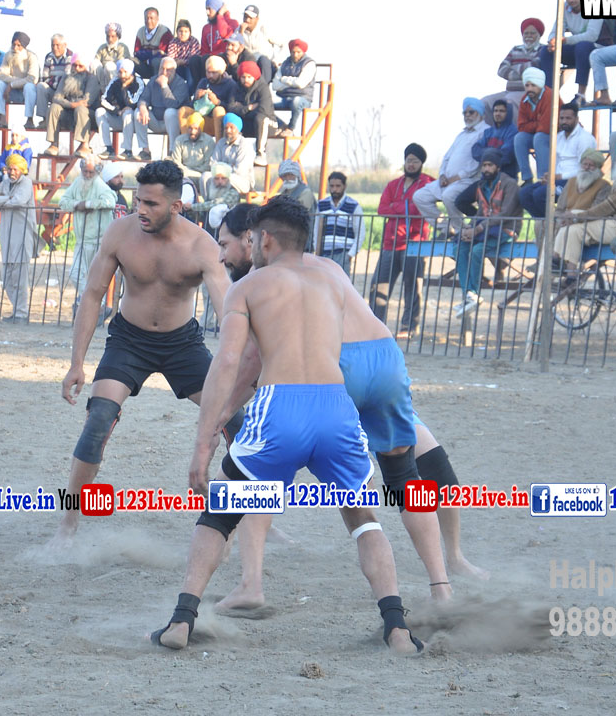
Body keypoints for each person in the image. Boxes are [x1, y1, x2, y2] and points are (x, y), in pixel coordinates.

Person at [152, 197, 423, 654]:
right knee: (364, 520)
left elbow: (230, 362)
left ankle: (181, 621)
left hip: (281, 407)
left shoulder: (248, 287)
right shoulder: (334, 281)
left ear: (265, 240)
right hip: (335, 406)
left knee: (219, 514)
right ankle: (397, 628)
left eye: (252, 237)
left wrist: (204, 441)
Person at [211, 202, 486, 615]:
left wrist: (221, 414)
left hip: (338, 367)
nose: (223, 255)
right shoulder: (326, 267)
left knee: (261, 467)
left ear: (257, 239)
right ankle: (442, 585)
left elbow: (250, 362)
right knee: (408, 475)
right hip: (385, 356)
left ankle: (250, 582)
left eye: (227, 244)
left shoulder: (262, 280)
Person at [50, 160, 235, 544]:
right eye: (138, 201)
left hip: (182, 344)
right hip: (129, 341)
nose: (141, 210)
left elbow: (230, 313)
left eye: (151, 203)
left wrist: (241, 371)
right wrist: (76, 363)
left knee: (239, 421)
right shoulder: (120, 233)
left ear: (176, 206)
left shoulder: (202, 247)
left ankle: (253, 516)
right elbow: (93, 295)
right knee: (98, 419)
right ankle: (68, 519)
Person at [552, 140, 616, 287]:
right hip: (611, 223)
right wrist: (572, 217)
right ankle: (569, 274)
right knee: (572, 229)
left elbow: (610, 206)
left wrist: (576, 217)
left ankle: (556, 260)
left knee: (573, 219)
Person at [452, 149, 522, 316]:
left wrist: (478, 228)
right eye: (483, 165)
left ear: (498, 167)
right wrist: (469, 228)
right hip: (485, 227)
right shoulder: (482, 185)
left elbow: (505, 214)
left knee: (477, 250)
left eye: (490, 165)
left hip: (506, 228)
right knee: (459, 247)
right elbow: (480, 212)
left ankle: (474, 293)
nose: (486, 169)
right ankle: (468, 295)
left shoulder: (510, 184)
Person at [372, 146, 433, 338]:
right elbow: (382, 209)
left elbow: (419, 209)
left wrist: (396, 206)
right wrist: (406, 206)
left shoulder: (428, 184)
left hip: (414, 243)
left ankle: (409, 326)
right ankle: (374, 325)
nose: (411, 164)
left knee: (412, 288)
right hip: (390, 243)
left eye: (415, 161)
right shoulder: (393, 184)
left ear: (421, 163)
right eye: (409, 160)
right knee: (378, 286)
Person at [412, 98, 483, 233]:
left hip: (468, 180)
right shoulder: (462, 134)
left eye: (471, 112)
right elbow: (447, 158)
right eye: (465, 113)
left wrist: (454, 179)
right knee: (420, 196)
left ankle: (461, 231)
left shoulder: (484, 132)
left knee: (448, 196)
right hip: (448, 181)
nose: (467, 115)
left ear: (480, 113)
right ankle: (446, 230)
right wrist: (442, 175)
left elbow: (476, 163)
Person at [518, 102, 596, 220]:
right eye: (561, 118)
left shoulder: (585, 139)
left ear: (576, 119)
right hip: (557, 180)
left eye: (568, 118)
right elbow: (556, 162)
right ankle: (547, 224)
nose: (564, 121)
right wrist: (549, 176)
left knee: (540, 194)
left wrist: (558, 177)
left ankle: (554, 225)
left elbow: (585, 169)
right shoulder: (558, 137)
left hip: (577, 181)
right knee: (524, 194)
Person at [535, 0, 603, 105]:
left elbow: (592, 36)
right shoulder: (565, 8)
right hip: (578, 49)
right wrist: (553, 42)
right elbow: (555, 31)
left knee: (582, 47)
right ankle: (549, 95)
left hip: (598, 48)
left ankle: (580, 95)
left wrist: (565, 40)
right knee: (546, 51)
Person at [60, 154, 118, 302]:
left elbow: (110, 201)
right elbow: (63, 202)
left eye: (90, 172)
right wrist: (77, 205)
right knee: (75, 273)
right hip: (82, 239)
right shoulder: (78, 182)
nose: (87, 175)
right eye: (85, 171)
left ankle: (96, 304)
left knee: (96, 276)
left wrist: (88, 205)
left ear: (97, 172)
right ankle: (92, 301)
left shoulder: (100, 185)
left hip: (98, 239)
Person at [0, 153, 37, 321]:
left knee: (20, 277)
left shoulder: (26, 183)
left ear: (22, 170)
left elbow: (19, 201)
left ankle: (21, 313)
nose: (12, 172)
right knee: (8, 278)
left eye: (15, 169)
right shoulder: (6, 183)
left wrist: (3, 200)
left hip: (22, 235)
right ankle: (17, 310)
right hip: (7, 236)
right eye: (9, 169)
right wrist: (8, 198)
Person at [41, 54, 98, 156]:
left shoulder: (92, 79)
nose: (77, 69)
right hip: (69, 112)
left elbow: (86, 102)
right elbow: (56, 98)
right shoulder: (66, 77)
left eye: (80, 66)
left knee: (81, 109)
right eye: (74, 65)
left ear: (86, 67)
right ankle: (54, 144)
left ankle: (84, 145)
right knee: (54, 107)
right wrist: (72, 104)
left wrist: (74, 105)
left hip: (88, 117)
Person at [483, 18, 544, 110]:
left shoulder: (542, 50)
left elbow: (534, 67)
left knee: (507, 103)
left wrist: (512, 68)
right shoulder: (516, 49)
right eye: (526, 33)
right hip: (509, 91)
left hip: (527, 93)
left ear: (539, 35)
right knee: (485, 102)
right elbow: (501, 69)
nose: (529, 36)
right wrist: (523, 73)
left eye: (532, 33)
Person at [136, 56, 189, 153]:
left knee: (170, 112)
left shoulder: (181, 83)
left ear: (174, 71)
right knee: (138, 112)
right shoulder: (153, 80)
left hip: (173, 123)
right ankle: (145, 150)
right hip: (155, 121)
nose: (164, 73)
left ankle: (173, 151)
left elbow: (172, 104)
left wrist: (164, 86)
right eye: (162, 69)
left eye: (168, 70)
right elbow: (143, 98)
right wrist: (143, 107)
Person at [96, 59, 145, 160]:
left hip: (135, 120)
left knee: (128, 112)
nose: (122, 75)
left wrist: (125, 88)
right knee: (99, 112)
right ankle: (108, 149)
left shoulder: (139, 81)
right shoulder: (115, 81)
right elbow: (103, 100)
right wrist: (116, 110)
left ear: (130, 71)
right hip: (119, 116)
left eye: (125, 72)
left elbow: (133, 102)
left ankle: (128, 150)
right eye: (120, 72)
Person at [228, 60, 274, 165]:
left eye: (249, 77)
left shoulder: (263, 88)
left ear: (254, 76)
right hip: (247, 122)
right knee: (230, 118)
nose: (246, 80)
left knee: (260, 118)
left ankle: (261, 154)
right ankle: (230, 153)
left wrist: (241, 108)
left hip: (268, 124)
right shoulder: (236, 87)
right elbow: (230, 108)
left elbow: (264, 110)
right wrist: (248, 108)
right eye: (243, 77)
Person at [0, 31, 39, 129]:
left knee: (29, 87)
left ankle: (29, 120)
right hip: (10, 93)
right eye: (13, 44)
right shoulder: (8, 55)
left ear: (24, 46)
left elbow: (32, 79)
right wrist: (17, 82)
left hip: (25, 94)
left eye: (19, 45)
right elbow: (1, 75)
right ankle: (0, 118)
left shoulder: (31, 57)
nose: (15, 48)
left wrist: (12, 85)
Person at [514, 68, 555, 184]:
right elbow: (521, 126)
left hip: (556, 135)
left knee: (539, 137)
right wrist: (538, 123)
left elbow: (546, 127)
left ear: (540, 84)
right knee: (519, 138)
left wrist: (532, 125)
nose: (529, 89)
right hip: (538, 135)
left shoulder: (549, 95)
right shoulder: (525, 99)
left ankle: (543, 178)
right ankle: (527, 178)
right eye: (527, 85)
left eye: (533, 85)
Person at [270, 38, 314, 135]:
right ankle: (281, 125)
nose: (295, 54)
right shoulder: (285, 64)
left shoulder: (309, 64)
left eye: (298, 52)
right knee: (265, 105)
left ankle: (290, 128)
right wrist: (293, 83)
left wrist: (284, 80)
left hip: (303, 98)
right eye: (293, 52)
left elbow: (301, 83)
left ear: (303, 52)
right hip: (285, 98)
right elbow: (275, 85)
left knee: (296, 102)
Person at [472, 99, 519, 179]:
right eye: (495, 111)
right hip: (485, 177)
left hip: (505, 177)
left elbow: (507, 155)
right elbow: (475, 150)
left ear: (508, 113)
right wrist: (492, 153)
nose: (497, 113)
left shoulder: (513, 131)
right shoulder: (488, 132)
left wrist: (487, 154)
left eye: (501, 111)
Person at [210, 113, 254, 195]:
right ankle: (207, 202)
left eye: (231, 127)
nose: (228, 131)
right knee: (205, 176)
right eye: (226, 128)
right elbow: (213, 163)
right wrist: (228, 168)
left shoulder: (245, 145)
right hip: (221, 177)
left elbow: (240, 170)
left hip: (241, 181)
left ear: (238, 129)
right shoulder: (221, 143)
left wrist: (221, 170)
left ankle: (220, 201)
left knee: (226, 179)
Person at [169, 111, 215, 183]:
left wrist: (190, 171)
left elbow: (208, 165)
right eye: (190, 128)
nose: (193, 132)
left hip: (200, 175)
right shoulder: (179, 140)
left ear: (201, 129)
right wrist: (185, 171)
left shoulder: (209, 141)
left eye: (196, 128)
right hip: (183, 173)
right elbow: (176, 162)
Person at [134, 7, 172, 78]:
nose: (148, 21)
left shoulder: (164, 32)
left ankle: (156, 83)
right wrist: (152, 52)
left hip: (158, 67)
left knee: (156, 61)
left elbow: (162, 54)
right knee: (130, 61)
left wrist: (146, 57)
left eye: (151, 18)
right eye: (146, 18)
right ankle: (133, 83)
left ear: (157, 19)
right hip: (144, 65)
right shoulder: (140, 31)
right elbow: (136, 53)